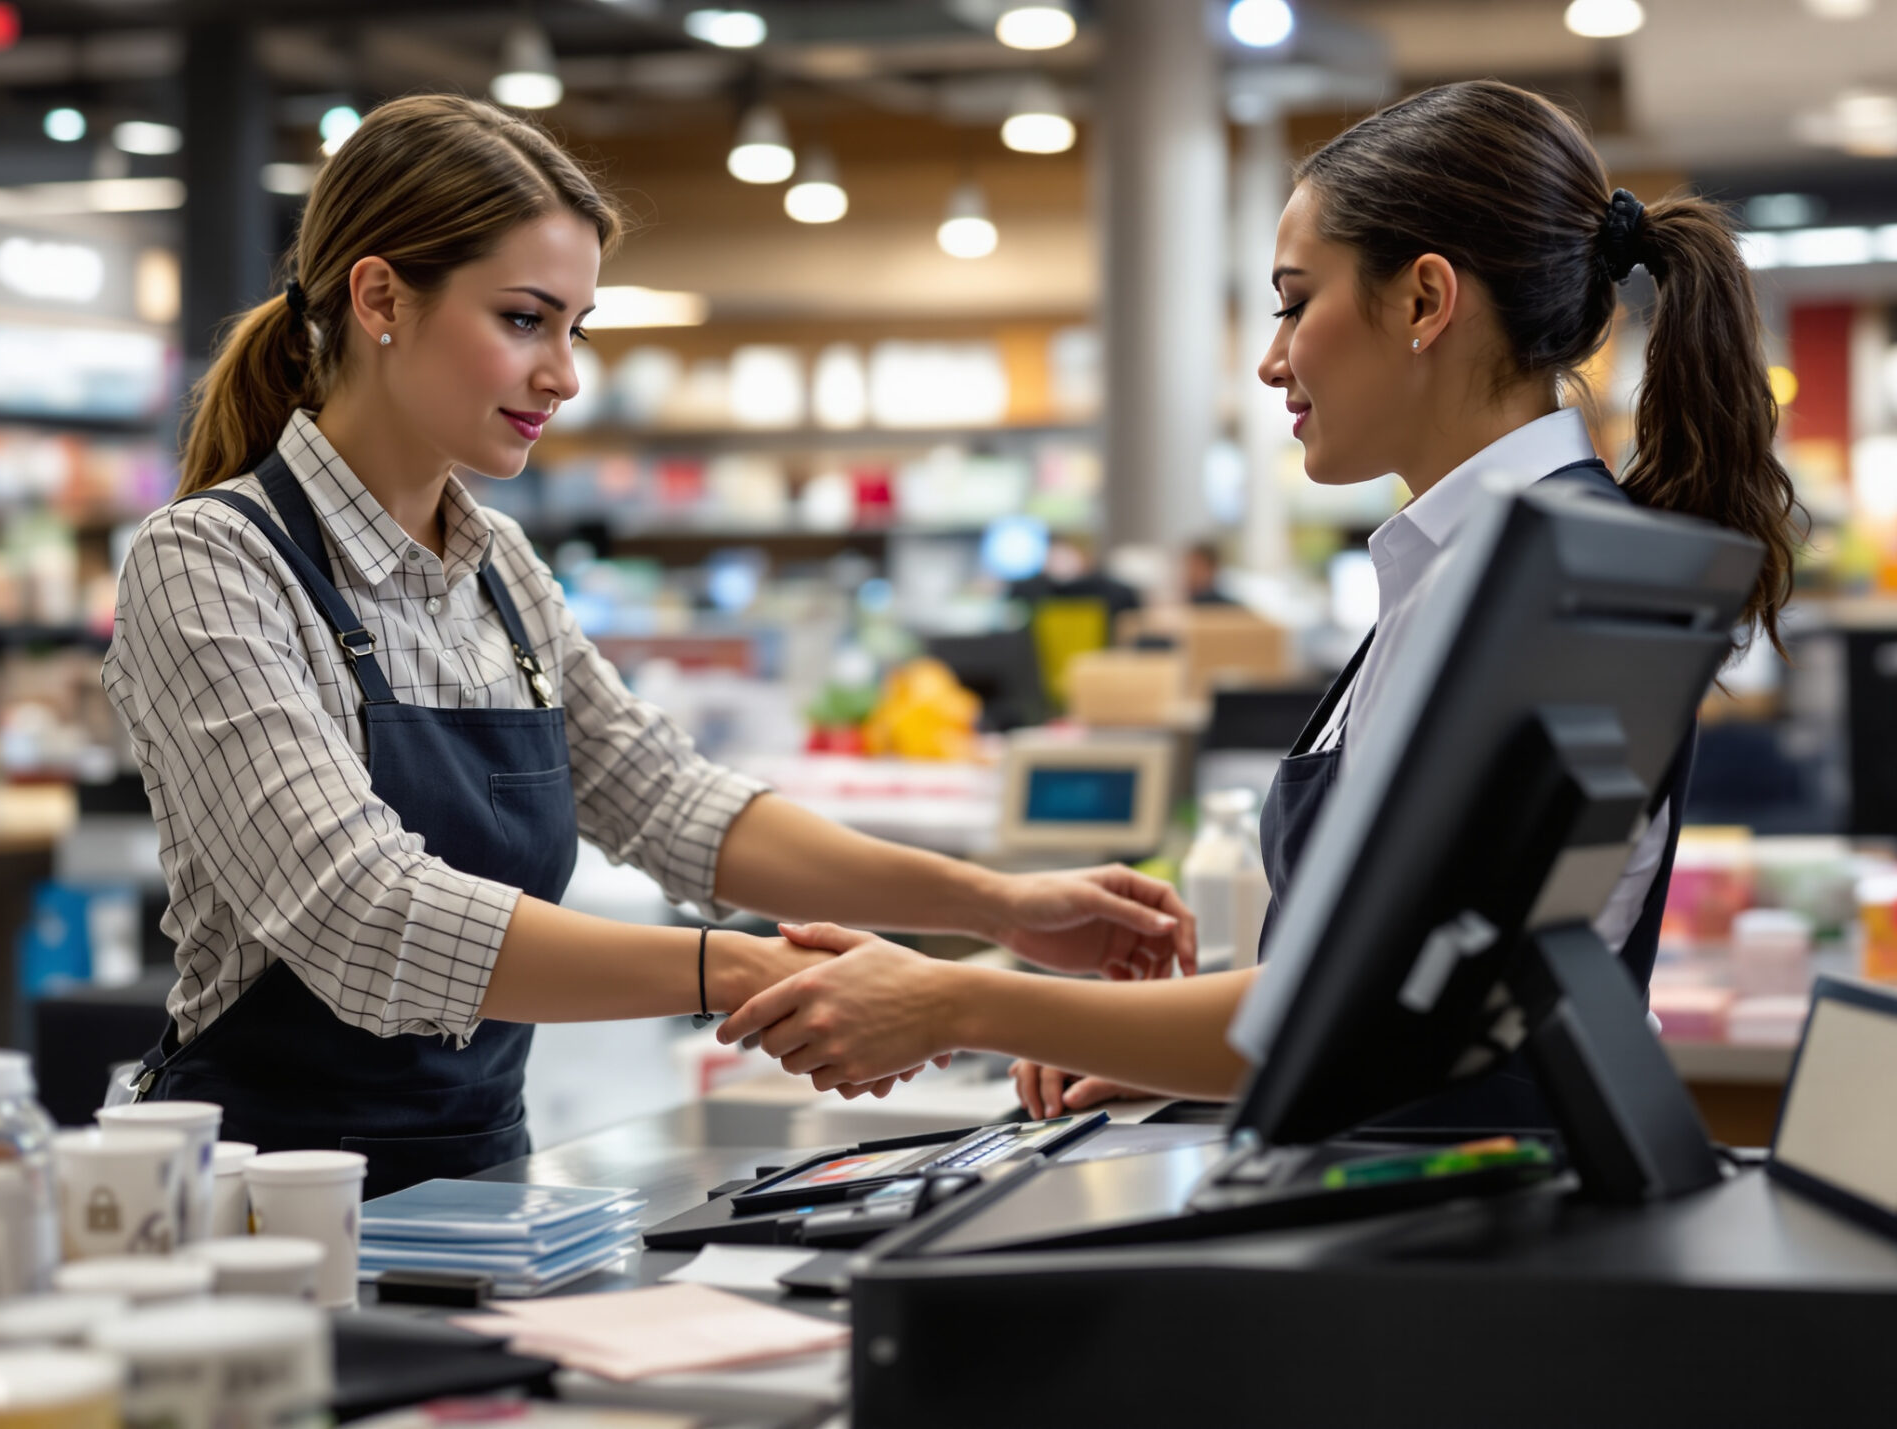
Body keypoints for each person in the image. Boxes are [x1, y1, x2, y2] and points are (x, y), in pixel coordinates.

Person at [101, 94, 1193, 1199]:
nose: (563, 374)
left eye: (575, 328)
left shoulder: (498, 567)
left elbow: (671, 802)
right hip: (259, 1202)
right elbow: (368, 913)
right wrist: (746, 969)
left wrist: (996, 904)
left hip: (476, 1184)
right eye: (524, 320)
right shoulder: (210, 561)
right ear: (379, 296)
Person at [717, 79, 1802, 1116]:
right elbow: (1404, 992)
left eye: (1294, 304)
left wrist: (956, 1000)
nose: (1271, 361)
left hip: (1452, 1207)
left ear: (1425, 300)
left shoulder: (1537, 585)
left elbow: (1371, 1008)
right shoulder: (1489, 561)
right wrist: (1157, 1047)